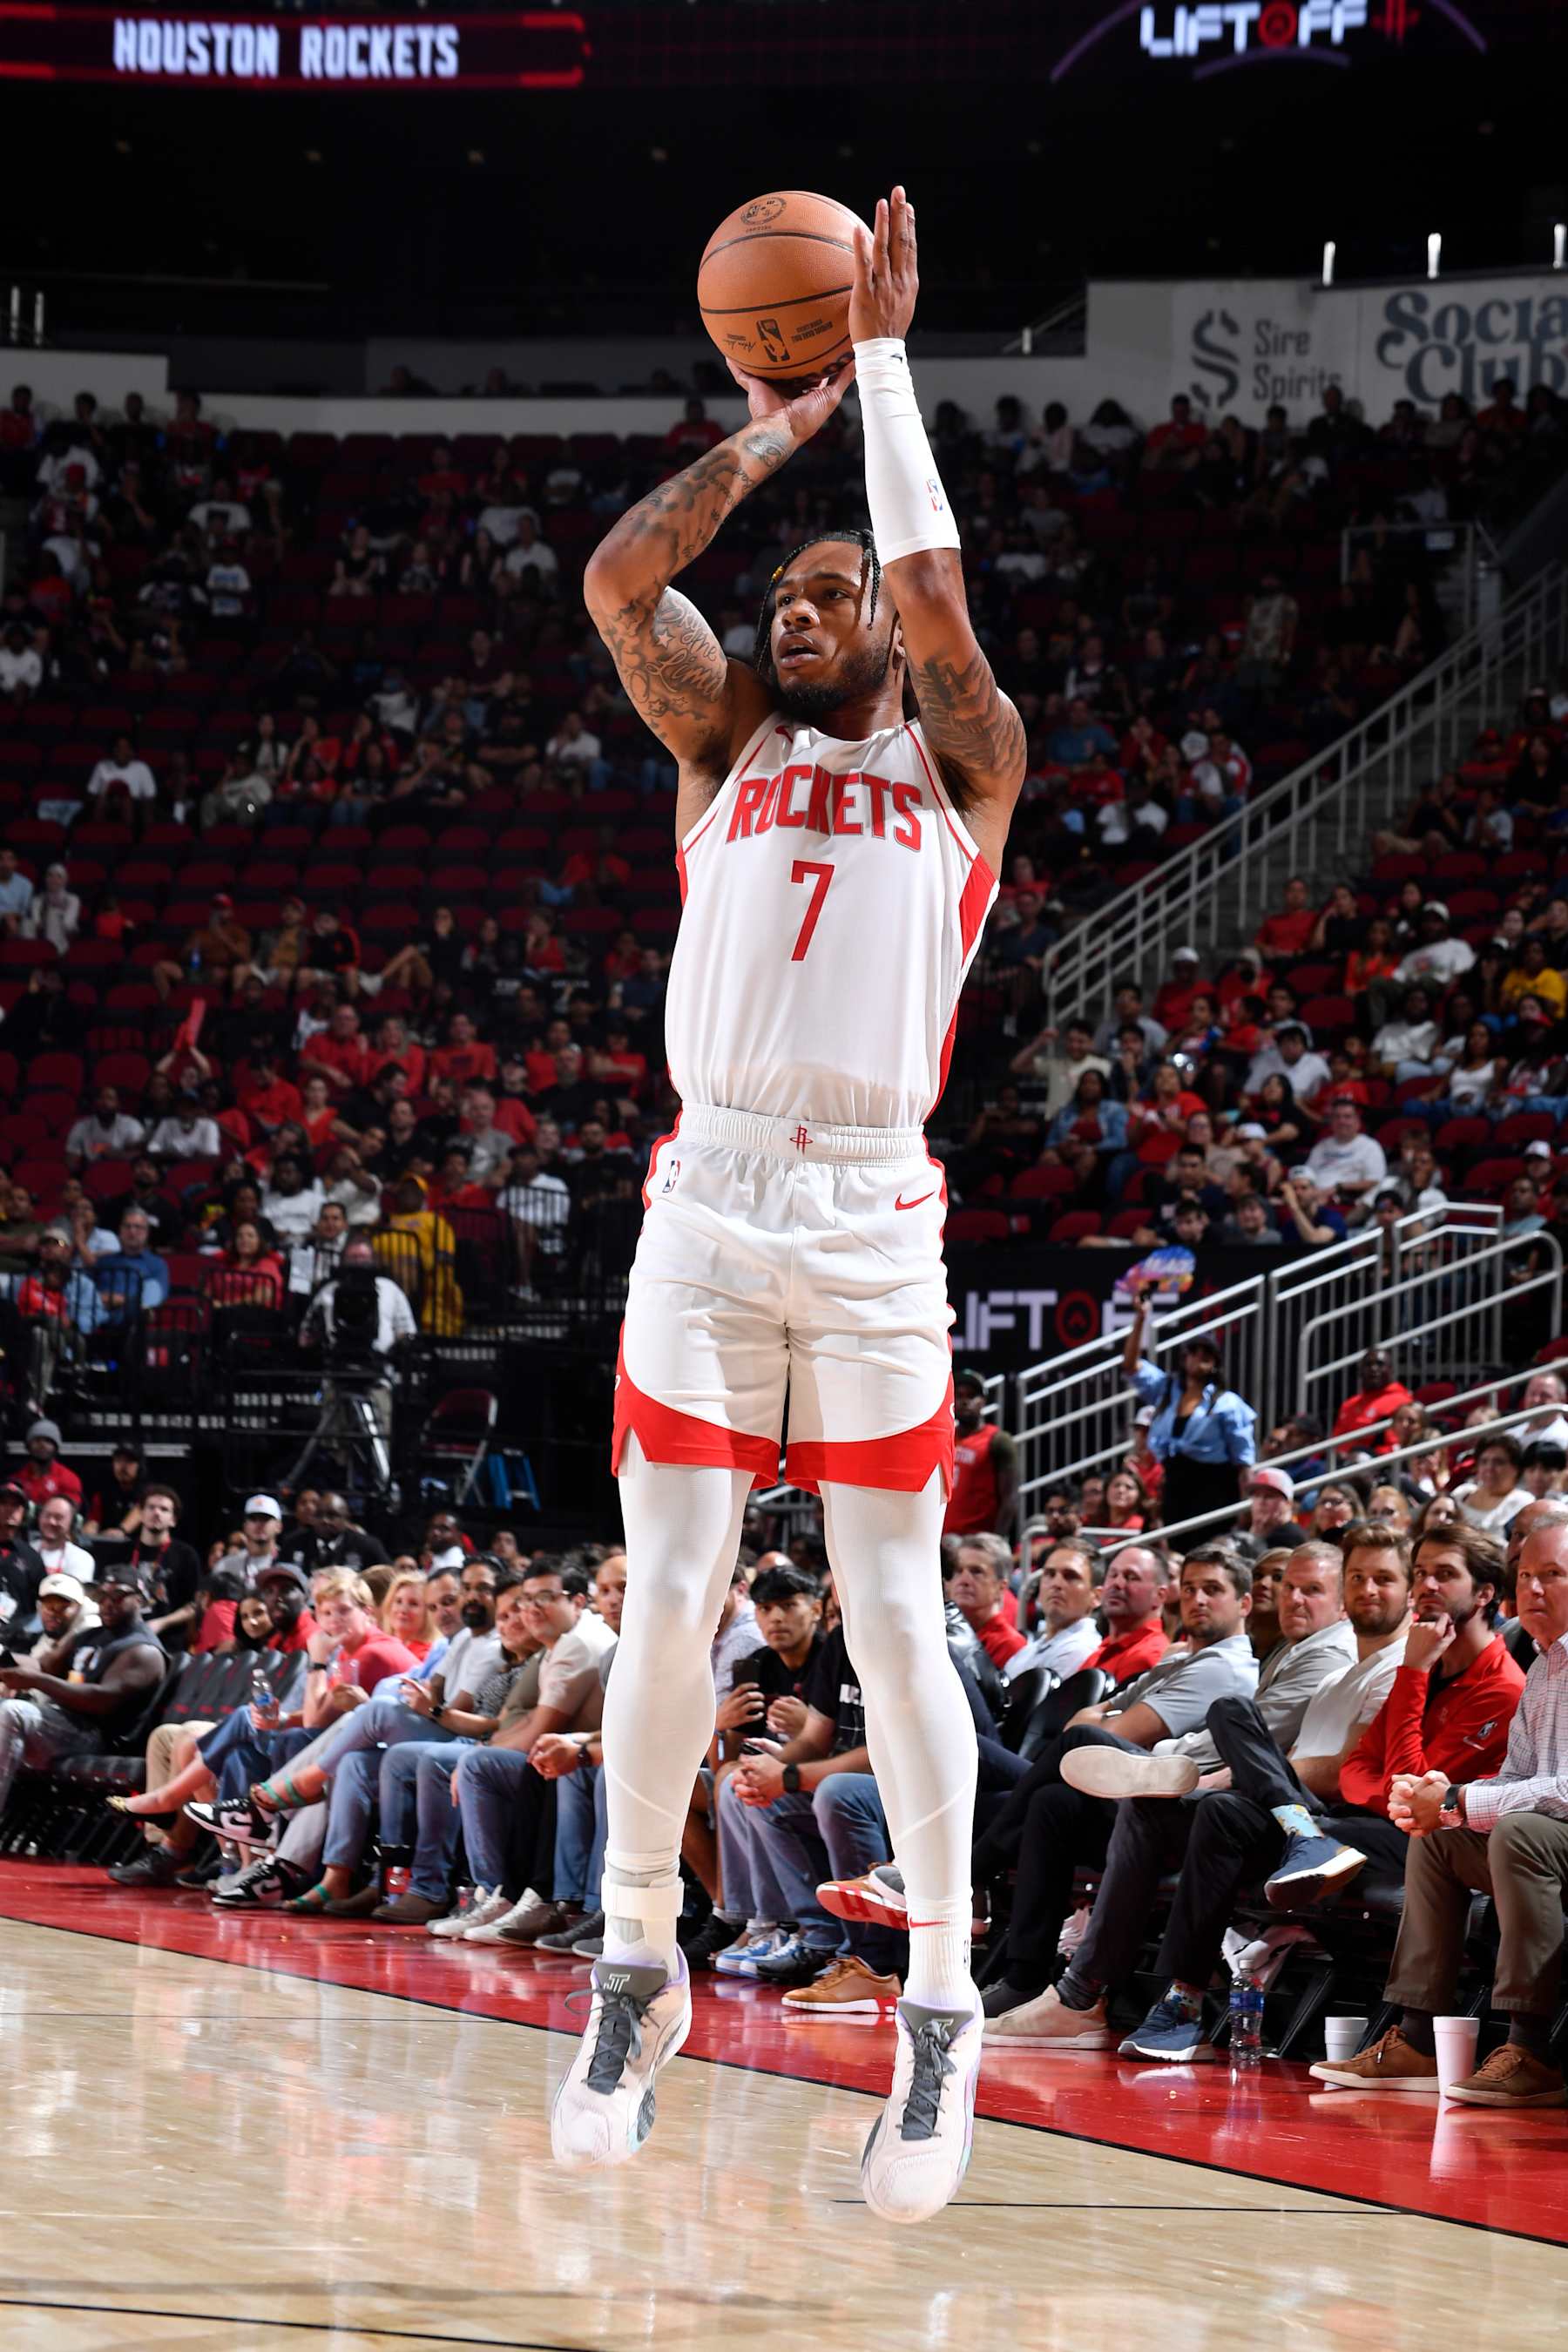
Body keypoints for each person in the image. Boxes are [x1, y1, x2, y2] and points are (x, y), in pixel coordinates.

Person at [553, 187, 1024, 2216]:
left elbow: (932, 589)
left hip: (868, 1213)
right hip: (710, 1192)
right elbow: (617, 577)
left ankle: (942, 2008)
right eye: (795, 591)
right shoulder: (719, 740)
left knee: (894, 1601)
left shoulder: (965, 764)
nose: (809, 603)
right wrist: (774, 421)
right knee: (666, 1593)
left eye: (841, 591)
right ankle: (635, 1968)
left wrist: (893, 375)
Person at [996, 1522, 1413, 2053]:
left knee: (1217, 1756)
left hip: (1345, 1824)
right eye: (1357, 1577)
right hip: (1283, 1814)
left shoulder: (1391, 1666)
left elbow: (1348, 1773)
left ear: (1410, 1591)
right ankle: (1081, 1997)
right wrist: (1261, 1770)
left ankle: (1182, 1999)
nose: (1367, 1590)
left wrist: (1257, 1771)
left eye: (1383, 1578)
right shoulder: (1337, 1672)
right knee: (1153, 1799)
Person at [1312, 1518, 1568, 2108]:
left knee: (1517, 1832)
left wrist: (1457, 1799)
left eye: (1551, 1576)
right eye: (1525, 1576)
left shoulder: (1506, 1679)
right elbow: (1515, 1780)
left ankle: (1531, 2048)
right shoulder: (1543, 1672)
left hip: (1544, 1838)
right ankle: (1418, 2038)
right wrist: (1444, 1807)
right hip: (1541, 1837)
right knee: (1437, 1840)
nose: (1530, 1590)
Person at [969, 1543, 1260, 2021]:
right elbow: (1092, 1719)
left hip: (1177, 1809)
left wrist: (1096, 1720)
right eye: (1190, 1589)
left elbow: (1107, 1734)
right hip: (1129, 1797)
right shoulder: (1175, 1658)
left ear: (1243, 1603)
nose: (1199, 1600)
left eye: (1214, 1590)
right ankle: (1024, 1975)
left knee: (1003, 1748)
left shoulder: (1224, 1666)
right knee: (1050, 1802)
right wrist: (1096, 1720)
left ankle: (968, 1875)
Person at [0, 1565, 165, 1815]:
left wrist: (35, 1681)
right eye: (102, 1596)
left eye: (118, 1597)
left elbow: (99, 1700)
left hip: (98, 1738)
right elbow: (43, 1665)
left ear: (140, 1600)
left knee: (14, 1712)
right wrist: (3, 1656)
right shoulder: (92, 1635)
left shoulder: (143, 1651)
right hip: (62, 1726)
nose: (108, 1604)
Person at [1121, 1297, 1255, 1542]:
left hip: (1213, 1487)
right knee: (1176, 1547)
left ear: (1216, 1363)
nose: (1199, 1357)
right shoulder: (1166, 1389)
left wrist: (1247, 1503)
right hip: (1175, 1484)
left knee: (1207, 1548)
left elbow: (1244, 1460)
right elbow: (1131, 1365)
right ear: (1184, 1358)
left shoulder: (1228, 1403)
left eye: (1207, 1353)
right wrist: (1141, 1318)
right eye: (1193, 1351)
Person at [1009, 1537, 1103, 1680]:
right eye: (1050, 1574)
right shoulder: (1032, 1647)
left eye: (1071, 1576)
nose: (1056, 1583)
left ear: (1096, 1597)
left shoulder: (1081, 1649)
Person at [943, 1369, 1018, 1538]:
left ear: (983, 1401)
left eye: (971, 1396)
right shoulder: (945, 1438)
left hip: (978, 1539)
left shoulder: (998, 1440)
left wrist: (997, 1539)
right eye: (959, 1395)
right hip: (943, 1538)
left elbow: (1010, 1498)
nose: (964, 1401)